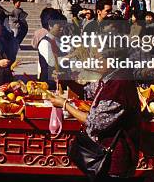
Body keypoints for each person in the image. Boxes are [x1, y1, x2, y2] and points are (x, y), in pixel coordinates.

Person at [49, 46, 140, 179]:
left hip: (113, 157)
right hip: (105, 152)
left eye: (97, 59)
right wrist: (66, 80)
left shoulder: (119, 84)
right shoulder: (110, 77)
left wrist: (64, 105)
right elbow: (89, 92)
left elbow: (94, 122)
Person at [37, 10, 67, 88]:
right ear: (50, 26)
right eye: (59, 26)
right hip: (48, 85)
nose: (62, 29)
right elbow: (53, 62)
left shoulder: (59, 40)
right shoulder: (45, 43)